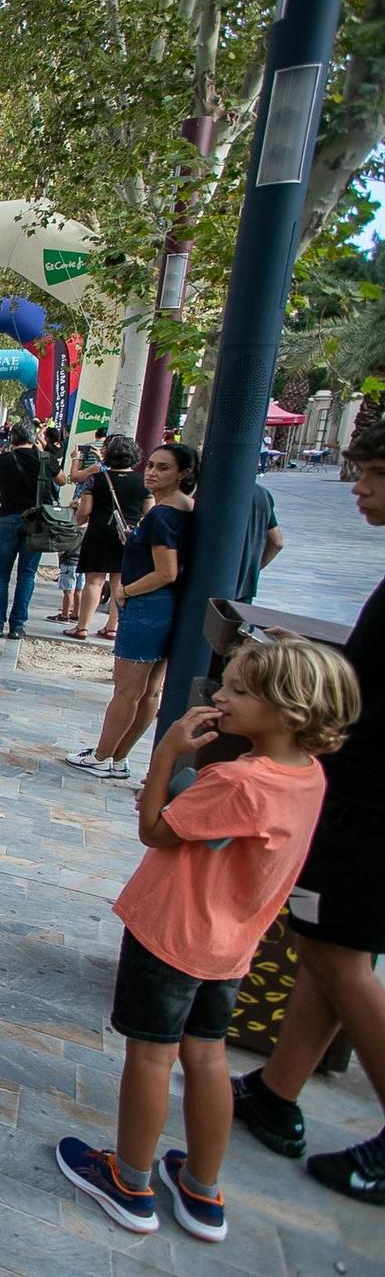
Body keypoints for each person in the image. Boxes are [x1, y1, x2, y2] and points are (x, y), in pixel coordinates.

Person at [56, 638, 360, 1242]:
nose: (220, 696)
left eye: (240, 690)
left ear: (290, 710)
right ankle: (200, 1188)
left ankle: (131, 1180)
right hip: (230, 947)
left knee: (150, 1054)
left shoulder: (239, 783)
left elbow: (155, 831)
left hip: (172, 934)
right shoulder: (308, 779)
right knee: (207, 1055)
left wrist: (167, 751)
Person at [231, 424, 385, 1202]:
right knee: (328, 947)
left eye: (372, 474)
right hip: (352, 799)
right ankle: (279, 1089)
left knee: (343, 956)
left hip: (366, 809)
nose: (357, 487)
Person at [67, 443, 197, 779]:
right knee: (148, 690)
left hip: (146, 606)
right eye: (151, 465)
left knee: (127, 690)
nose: (152, 472)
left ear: (183, 473)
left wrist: (124, 591)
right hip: (166, 608)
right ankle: (117, 756)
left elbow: (166, 571)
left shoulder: (162, 516)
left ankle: (101, 755)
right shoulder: (187, 511)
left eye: (163, 467)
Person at [0, 423, 62, 641]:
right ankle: (17, 626)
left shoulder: (2, 459)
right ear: (34, 438)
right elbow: (62, 480)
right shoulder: (46, 459)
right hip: (36, 520)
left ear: (12, 438)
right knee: (27, 574)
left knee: (1, 573)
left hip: (8, 517)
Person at [69, 435, 148, 641]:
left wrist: (77, 520)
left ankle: (82, 627)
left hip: (99, 532)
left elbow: (85, 510)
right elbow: (149, 512)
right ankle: (112, 627)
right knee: (119, 583)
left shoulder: (97, 479)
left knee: (94, 581)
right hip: (128, 536)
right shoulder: (143, 482)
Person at [232, 482, 284, 603]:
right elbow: (277, 543)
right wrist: (253, 568)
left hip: (207, 588)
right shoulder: (263, 494)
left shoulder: (206, 491)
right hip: (245, 587)